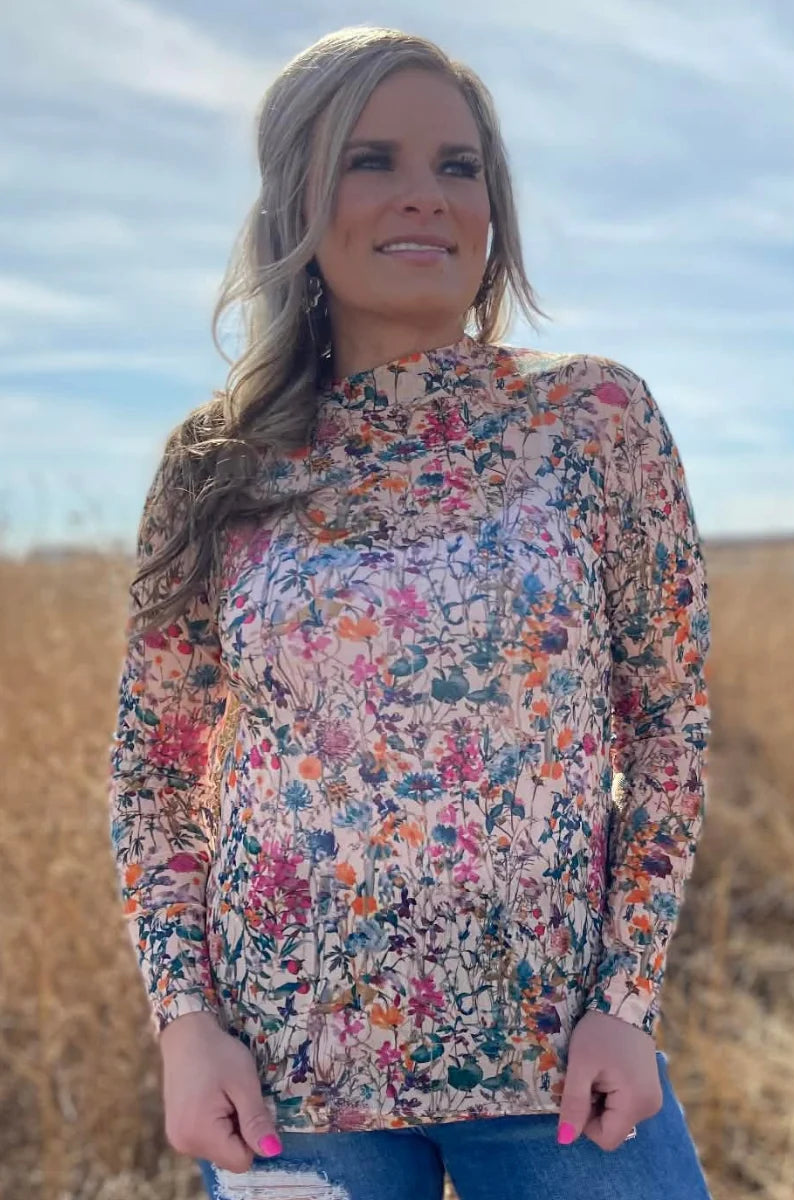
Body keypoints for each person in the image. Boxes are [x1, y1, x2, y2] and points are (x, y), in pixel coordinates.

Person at [107, 24, 714, 1200]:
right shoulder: (218, 462)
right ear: (296, 199)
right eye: (370, 158)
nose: (424, 195)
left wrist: (626, 1002)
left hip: (560, 1068)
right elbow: (157, 767)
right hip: (287, 1088)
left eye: (457, 165)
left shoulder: (591, 420)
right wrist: (184, 1023)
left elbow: (665, 728)